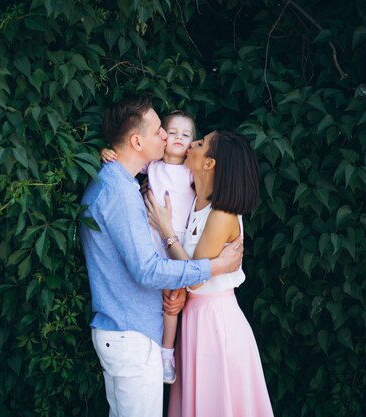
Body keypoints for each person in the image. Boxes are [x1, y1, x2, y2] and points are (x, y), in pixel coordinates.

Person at [79, 97, 244, 417]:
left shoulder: (123, 183)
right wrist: (214, 266)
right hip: (131, 334)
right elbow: (148, 271)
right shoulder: (118, 192)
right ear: (137, 141)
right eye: (159, 132)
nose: (167, 137)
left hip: (132, 332)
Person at [145, 130, 274, 417]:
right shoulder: (194, 200)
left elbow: (195, 274)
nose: (191, 144)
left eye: (200, 144)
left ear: (209, 164)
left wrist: (166, 231)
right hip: (195, 319)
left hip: (216, 325)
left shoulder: (222, 215)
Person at [100, 110, 197, 384]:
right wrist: (104, 152)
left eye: (186, 135)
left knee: (172, 300)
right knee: (153, 291)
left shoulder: (191, 171)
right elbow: (125, 158)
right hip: (150, 237)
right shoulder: (151, 166)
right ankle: (156, 349)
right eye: (171, 132)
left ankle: (167, 352)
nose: (177, 138)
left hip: (176, 241)